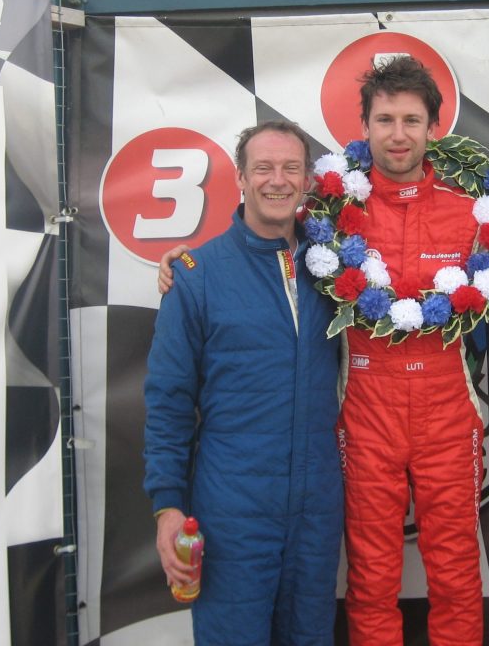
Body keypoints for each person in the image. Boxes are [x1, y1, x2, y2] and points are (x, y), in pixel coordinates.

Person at [159, 57, 489, 646]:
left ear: (435, 127)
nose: (398, 134)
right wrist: (186, 265)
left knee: (458, 576)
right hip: (364, 416)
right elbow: (261, 238)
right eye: (385, 120)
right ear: (364, 127)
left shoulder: (471, 211)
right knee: (371, 580)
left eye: (411, 120)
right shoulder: (328, 214)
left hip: (447, 415)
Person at [143, 121, 344, 646]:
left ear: (307, 180)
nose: (277, 180)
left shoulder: (339, 271)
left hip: (317, 506)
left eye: (291, 168)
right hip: (232, 511)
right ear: (239, 177)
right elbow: (168, 401)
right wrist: (168, 505)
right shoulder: (197, 274)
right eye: (263, 168)